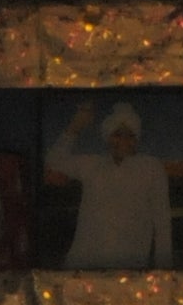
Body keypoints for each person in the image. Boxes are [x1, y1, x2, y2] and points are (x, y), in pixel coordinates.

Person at [48, 100, 171, 267]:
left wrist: (163, 269)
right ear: (107, 137)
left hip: (129, 269)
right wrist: (74, 128)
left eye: (130, 135)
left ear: (136, 139)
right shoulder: (92, 165)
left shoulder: (151, 168)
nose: (123, 141)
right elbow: (54, 162)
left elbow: (162, 222)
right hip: (84, 266)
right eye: (117, 134)